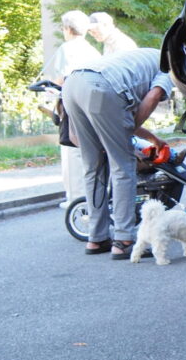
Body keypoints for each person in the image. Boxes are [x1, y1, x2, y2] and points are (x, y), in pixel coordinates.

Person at [61, 48, 172, 259]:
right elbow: (153, 97)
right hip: (103, 88)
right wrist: (127, 135)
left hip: (73, 84)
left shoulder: (141, 56)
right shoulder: (168, 65)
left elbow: (116, 116)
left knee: (93, 168)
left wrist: (150, 138)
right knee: (123, 166)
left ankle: (97, 238)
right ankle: (123, 240)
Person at [41, 10, 102, 206]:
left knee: (72, 151)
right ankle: (91, 197)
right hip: (93, 105)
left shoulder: (67, 49)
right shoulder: (93, 50)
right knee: (89, 151)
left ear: (67, 29)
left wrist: (48, 87)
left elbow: (64, 78)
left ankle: (76, 200)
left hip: (73, 106)